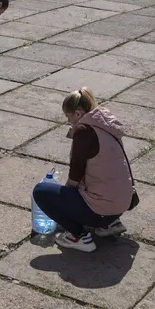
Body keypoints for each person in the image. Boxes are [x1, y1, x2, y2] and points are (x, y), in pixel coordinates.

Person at [32, 88, 134, 252]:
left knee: (41, 192)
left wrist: (63, 205)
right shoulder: (105, 124)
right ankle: (110, 224)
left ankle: (79, 236)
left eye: (69, 116)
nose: (68, 121)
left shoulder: (84, 132)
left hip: (101, 210)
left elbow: (75, 177)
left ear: (78, 113)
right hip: (122, 204)